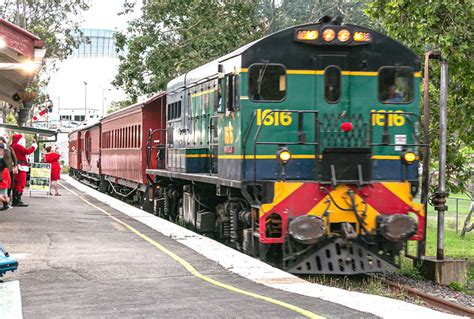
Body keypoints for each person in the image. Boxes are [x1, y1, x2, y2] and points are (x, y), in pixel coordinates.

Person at [11, 134, 37, 207]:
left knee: (16, 184)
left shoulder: (13, 146)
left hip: (17, 167)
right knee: (21, 183)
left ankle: (15, 200)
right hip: (21, 167)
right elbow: (27, 151)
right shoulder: (18, 146)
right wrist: (34, 145)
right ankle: (17, 200)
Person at [0, 136, 18, 209]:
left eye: (1, 140)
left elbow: (14, 158)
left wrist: (16, 166)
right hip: (1, 171)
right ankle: (6, 203)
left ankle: (7, 203)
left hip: (9, 170)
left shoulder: (9, 148)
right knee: (3, 188)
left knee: (9, 186)